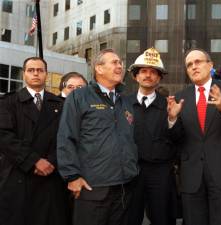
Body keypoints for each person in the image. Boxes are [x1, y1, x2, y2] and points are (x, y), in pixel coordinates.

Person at [167, 48, 221, 225]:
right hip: (192, 177)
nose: (193, 67)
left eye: (198, 62)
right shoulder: (181, 97)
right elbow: (176, 138)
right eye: (189, 65)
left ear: (210, 65)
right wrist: (172, 119)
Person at [57, 49, 139, 225]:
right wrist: (72, 176)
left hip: (124, 187)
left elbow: (129, 140)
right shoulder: (79, 97)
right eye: (114, 62)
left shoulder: (125, 102)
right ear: (99, 68)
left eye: (121, 63)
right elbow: (66, 137)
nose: (120, 66)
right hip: (92, 187)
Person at [0, 57, 69, 225]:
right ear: (24, 74)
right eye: (31, 70)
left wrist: (51, 161)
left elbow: (67, 138)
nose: (36, 73)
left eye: (40, 70)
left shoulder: (61, 104)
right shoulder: (8, 102)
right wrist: (34, 161)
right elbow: (4, 136)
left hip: (51, 177)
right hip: (18, 175)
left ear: (46, 74)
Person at [126, 47, 180, 225]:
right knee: (129, 218)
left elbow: (179, 139)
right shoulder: (123, 103)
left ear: (159, 77)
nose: (148, 75)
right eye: (143, 71)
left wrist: (173, 119)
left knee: (162, 218)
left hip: (160, 173)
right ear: (135, 76)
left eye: (153, 72)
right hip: (130, 172)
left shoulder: (169, 105)